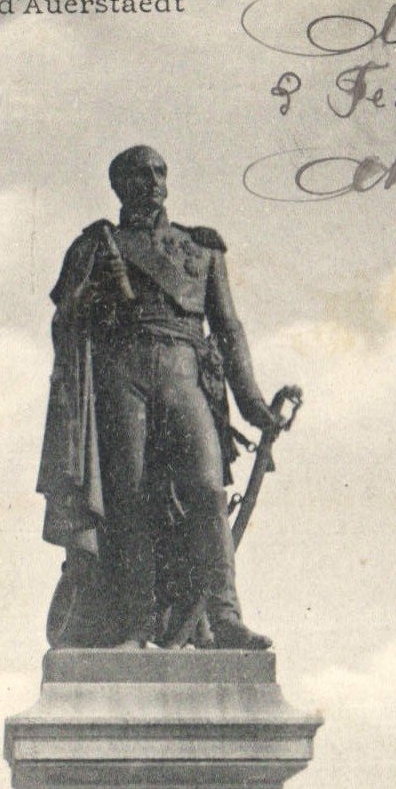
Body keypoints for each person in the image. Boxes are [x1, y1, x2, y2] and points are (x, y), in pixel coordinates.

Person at [37, 145, 290, 650]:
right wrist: (97, 292)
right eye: (140, 174)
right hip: (120, 372)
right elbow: (64, 320)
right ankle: (139, 625)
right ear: (119, 186)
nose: (153, 181)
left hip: (183, 370)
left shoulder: (201, 249)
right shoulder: (96, 247)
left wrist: (253, 404)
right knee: (128, 498)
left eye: (160, 172)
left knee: (205, 490)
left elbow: (230, 329)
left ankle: (224, 618)